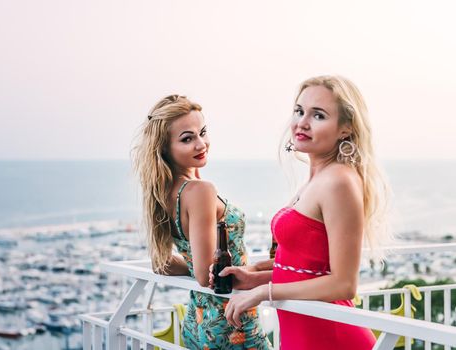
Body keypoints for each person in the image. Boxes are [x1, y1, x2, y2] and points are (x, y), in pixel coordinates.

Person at [219, 76, 390, 349]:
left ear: (345, 129)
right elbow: (307, 269)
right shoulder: (317, 179)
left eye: (318, 115)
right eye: (299, 111)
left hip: (331, 337)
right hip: (304, 334)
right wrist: (256, 278)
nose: (302, 122)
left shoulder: (339, 182)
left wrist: (265, 292)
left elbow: (343, 284)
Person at [132, 95, 272, 349]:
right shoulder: (200, 191)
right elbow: (205, 274)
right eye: (187, 139)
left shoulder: (164, 192)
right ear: (165, 149)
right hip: (231, 323)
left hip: (197, 323)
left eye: (202, 133)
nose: (201, 144)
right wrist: (272, 274)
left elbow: (162, 263)